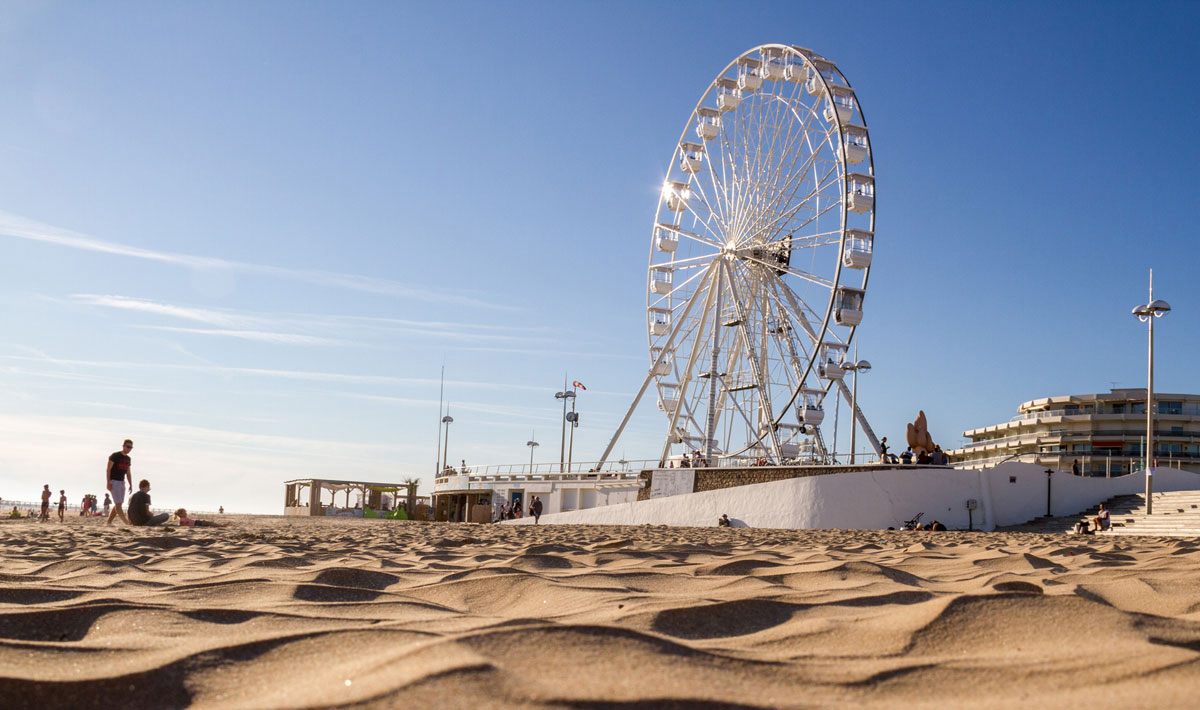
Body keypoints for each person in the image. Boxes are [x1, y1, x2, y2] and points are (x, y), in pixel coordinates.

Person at [106, 439, 134, 526]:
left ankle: (108, 522)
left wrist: (130, 484)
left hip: (122, 482)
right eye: (128, 447)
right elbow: (108, 470)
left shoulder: (128, 459)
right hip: (114, 482)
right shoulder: (115, 456)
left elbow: (128, 473)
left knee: (118, 504)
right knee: (118, 505)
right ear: (123, 446)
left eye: (131, 447)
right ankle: (126, 523)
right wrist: (108, 482)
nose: (129, 449)